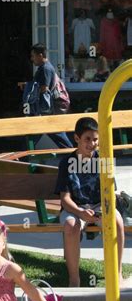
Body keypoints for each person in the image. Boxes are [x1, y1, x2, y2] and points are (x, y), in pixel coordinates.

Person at [54, 117, 125, 287]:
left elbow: (110, 192)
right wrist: (80, 213)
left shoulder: (103, 161)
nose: (92, 144)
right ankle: (74, 278)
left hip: (99, 206)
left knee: (117, 221)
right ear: (77, 139)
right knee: (71, 226)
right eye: (87, 139)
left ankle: (117, 272)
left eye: (95, 139)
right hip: (75, 208)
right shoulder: (67, 163)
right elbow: (65, 199)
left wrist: (104, 209)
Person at [28, 44, 73, 149]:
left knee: (52, 132)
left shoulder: (45, 69)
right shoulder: (46, 67)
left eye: (33, 56)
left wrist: (31, 89)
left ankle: (72, 154)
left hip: (46, 110)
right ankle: (71, 153)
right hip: (47, 111)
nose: (32, 59)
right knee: (46, 132)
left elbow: (44, 89)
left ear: (40, 55)